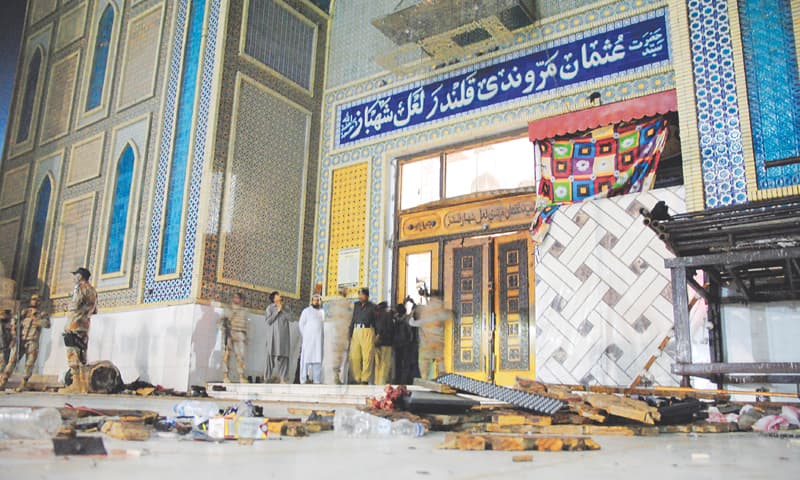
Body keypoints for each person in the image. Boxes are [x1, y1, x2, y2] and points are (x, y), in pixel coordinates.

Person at [0, 297, 51, 391]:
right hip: (21, 340)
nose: (34, 301)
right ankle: (3, 381)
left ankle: (23, 383)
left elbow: (47, 325)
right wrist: (14, 333)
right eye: (33, 299)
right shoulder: (24, 312)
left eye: (37, 300)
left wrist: (35, 319)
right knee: (12, 362)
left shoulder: (42, 314)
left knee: (29, 363)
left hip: (32, 341)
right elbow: (14, 322)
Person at [60, 267, 97, 394]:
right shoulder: (93, 290)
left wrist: (67, 307)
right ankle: (83, 386)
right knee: (82, 354)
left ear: (80, 276)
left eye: (76, 275)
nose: (74, 278)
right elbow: (95, 310)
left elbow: (75, 304)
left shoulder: (80, 288)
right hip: (85, 325)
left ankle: (76, 384)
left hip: (74, 324)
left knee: (72, 353)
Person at [323, 286, 352, 384]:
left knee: (338, 356)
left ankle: (337, 375)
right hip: (342, 332)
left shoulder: (335, 303)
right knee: (340, 356)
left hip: (339, 332)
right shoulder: (346, 303)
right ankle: (337, 376)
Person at [348, 287, 376, 384]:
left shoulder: (372, 306)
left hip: (367, 331)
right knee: (354, 356)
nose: (360, 296)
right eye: (359, 294)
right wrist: (350, 333)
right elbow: (353, 319)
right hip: (356, 331)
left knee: (367, 356)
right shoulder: (356, 305)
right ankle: (357, 378)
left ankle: (365, 379)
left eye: (362, 294)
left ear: (367, 296)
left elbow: (377, 322)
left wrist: (377, 334)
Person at [219, 292, 249, 383]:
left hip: (240, 335)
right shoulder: (228, 310)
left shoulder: (243, 311)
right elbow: (221, 322)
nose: (236, 299)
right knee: (226, 356)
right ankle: (225, 376)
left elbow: (246, 324)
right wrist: (225, 330)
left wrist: (246, 336)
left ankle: (241, 376)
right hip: (229, 334)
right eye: (235, 297)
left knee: (240, 356)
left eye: (238, 298)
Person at [265, 291, 292, 383]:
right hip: (273, 338)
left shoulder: (287, 307)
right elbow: (268, 321)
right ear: (274, 298)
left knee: (284, 358)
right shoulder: (270, 308)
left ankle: (283, 379)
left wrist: (283, 309)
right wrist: (277, 311)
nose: (281, 295)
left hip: (284, 338)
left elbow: (291, 319)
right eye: (278, 294)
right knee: (270, 358)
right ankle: (267, 378)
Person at [298, 294, 324, 384]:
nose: (316, 302)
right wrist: (305, 336)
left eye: (318, 300)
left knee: (317, 360)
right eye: (315, 300)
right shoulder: (306, 311)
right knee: (306, 359)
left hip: (318, 341)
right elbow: (301, 324)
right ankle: (303, 380)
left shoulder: (322, 312)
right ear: (312, 301)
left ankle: (317, 380)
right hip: (308, 341)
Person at [393, 300, 420, 385]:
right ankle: (405, 380)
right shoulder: (407, 318)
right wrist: (413, 303)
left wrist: (405, 301)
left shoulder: (395, 318)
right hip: (406, 344)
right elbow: (412, 312)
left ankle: (397, 379)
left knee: (398, 363)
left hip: (397, 344)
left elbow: (400, 310)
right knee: (406, 364)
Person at [373, 301, 394, 385]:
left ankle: (376, 382)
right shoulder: (387, 315)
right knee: (384, 364)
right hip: (386, 343)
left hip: (377, 343)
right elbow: (390, 328)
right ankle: (382, 383)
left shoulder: (376, 315)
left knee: (377, 364)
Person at [0, 309, 12, 374]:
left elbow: (12, 334)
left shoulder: (9, 324)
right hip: (3, 346)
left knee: (4, 363)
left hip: (6, 346)